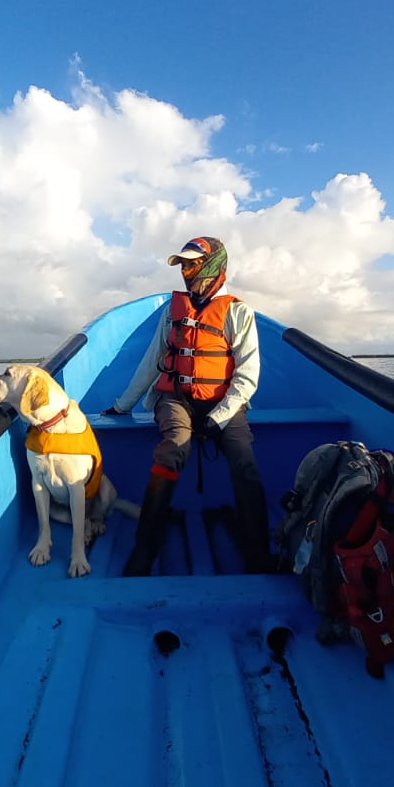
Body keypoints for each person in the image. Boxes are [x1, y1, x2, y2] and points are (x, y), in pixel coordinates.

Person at [102, 236, 272, 576]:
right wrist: (122, 406)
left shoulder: (238, 312)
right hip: (175, 400)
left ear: (213, 266)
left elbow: (247, 374)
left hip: (225, 403)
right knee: (173, 447)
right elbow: (152, 360)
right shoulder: (172, 311)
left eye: (192, 264)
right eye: (182, 265)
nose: (185, 271)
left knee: (245, 462)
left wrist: (219, 417)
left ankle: (258, 552)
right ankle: (145, 547)